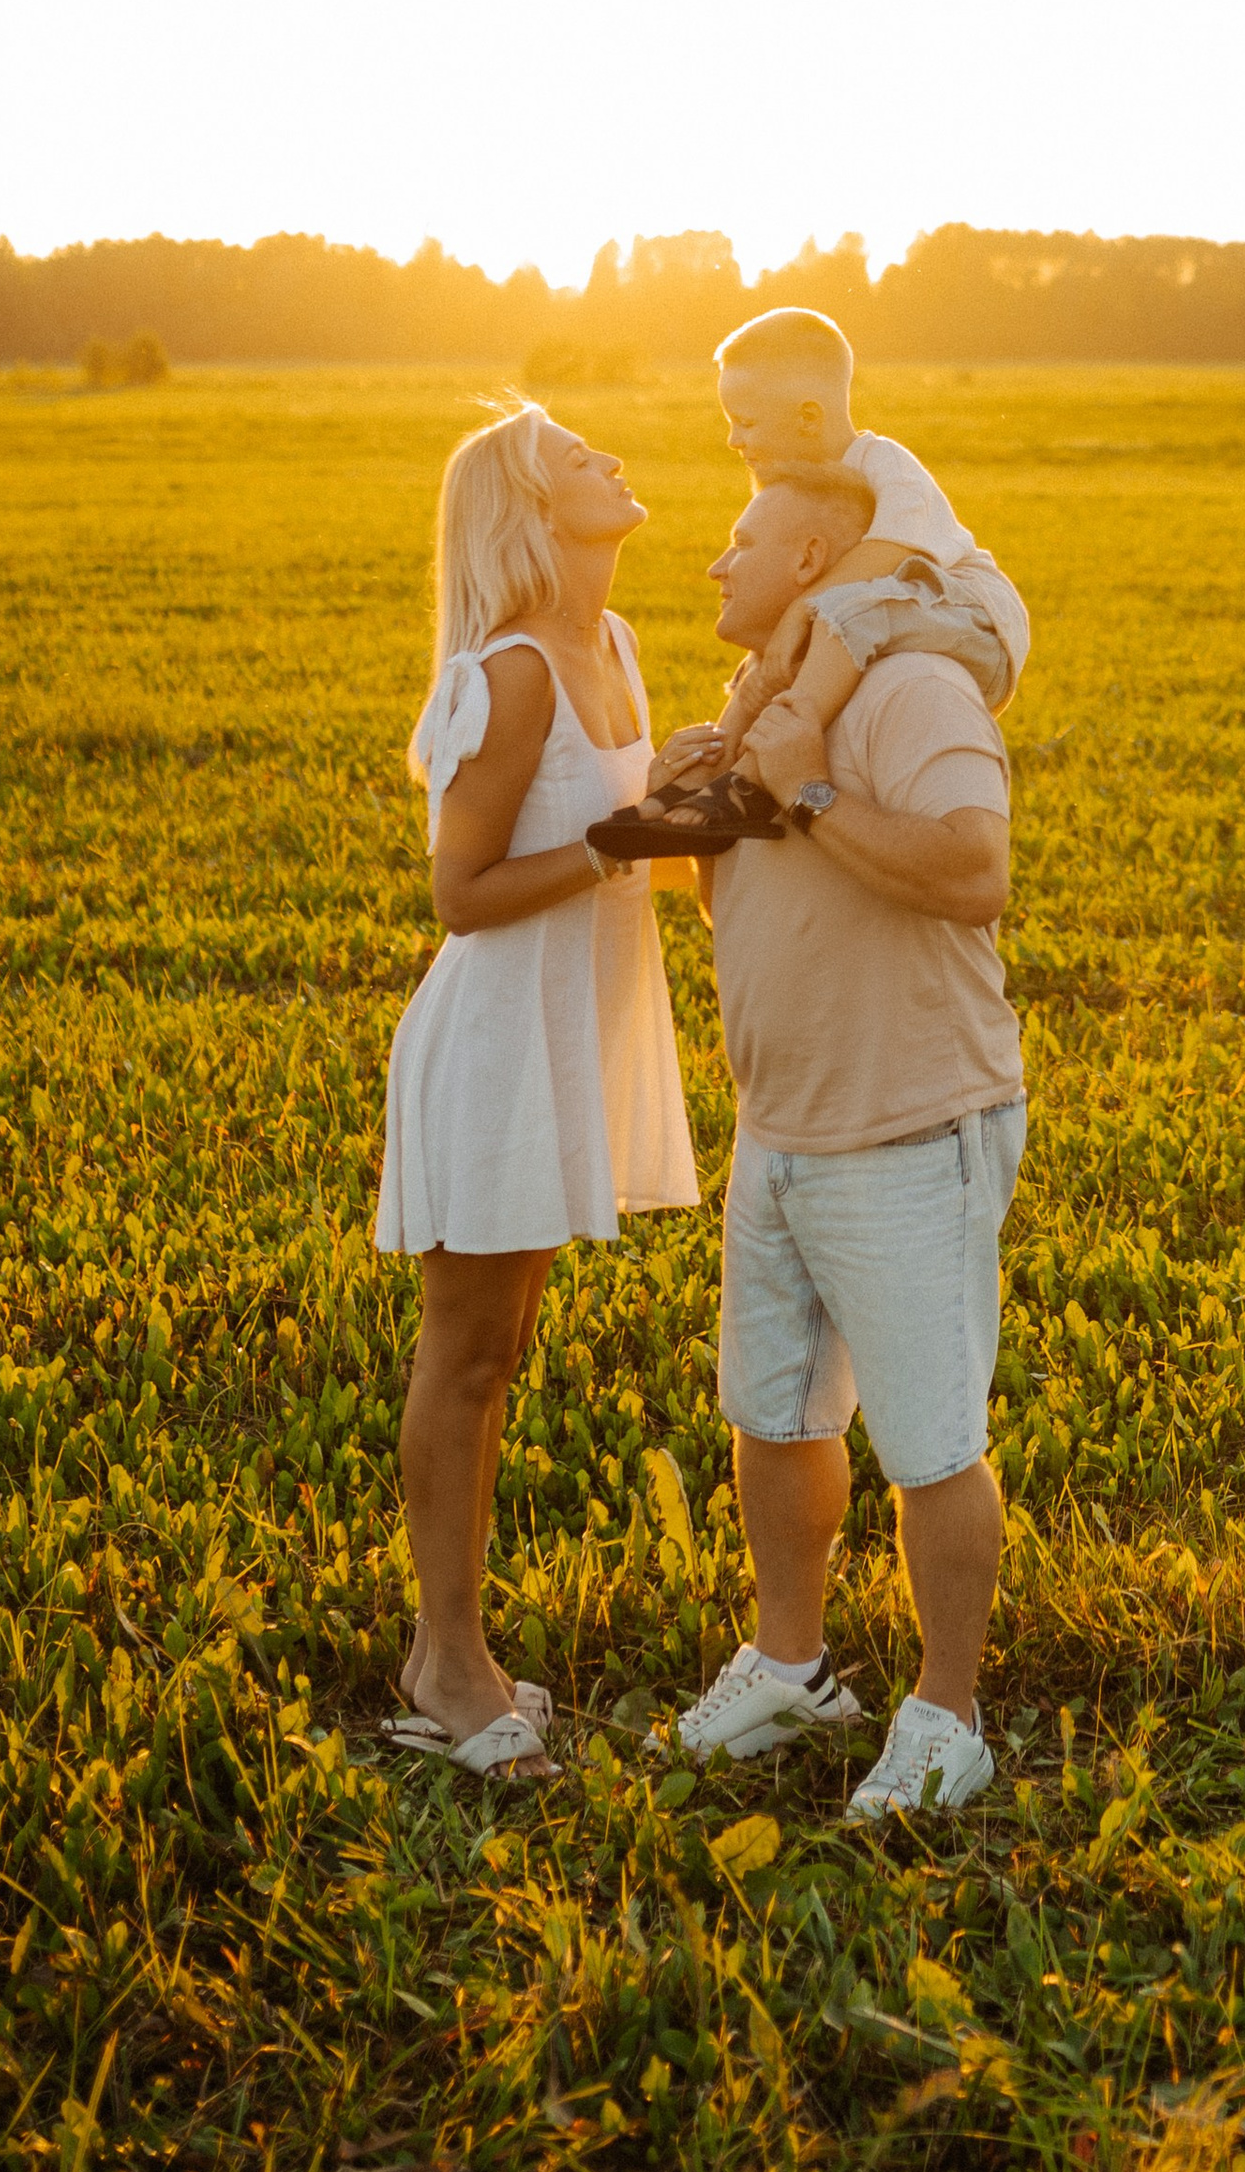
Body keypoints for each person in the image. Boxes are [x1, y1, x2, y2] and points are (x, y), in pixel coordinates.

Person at [667, 460, 1025, 1819]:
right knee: (774, 1411)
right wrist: (715, 794)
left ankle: (949, 1715)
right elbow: (746, 915)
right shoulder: (761, 703)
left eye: (741, 535)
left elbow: (970, 868)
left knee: (929, 1440)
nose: (717, 562)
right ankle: (792, 1661)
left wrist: (809, 788)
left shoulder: (912, 691)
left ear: (815, 553)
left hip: (907, 1117)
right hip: (782, 1125)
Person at [374, 403, 716, 1778]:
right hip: (498, 1041)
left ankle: (454, 1648)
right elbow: (461, 895)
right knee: (462, 1359)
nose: (616, 463)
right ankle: (446, 1666)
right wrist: (622, 838)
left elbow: (642, 852)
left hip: (569, 1033)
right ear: (531, 507)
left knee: (499, 1355)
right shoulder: (516, 671)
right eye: (584, 460)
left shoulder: (617, 645)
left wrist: (707, 796)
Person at [594, 307, 1026, 857]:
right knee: (771, 655)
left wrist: (801, 612)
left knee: (836, 613)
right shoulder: (802, 488)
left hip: (969, 614)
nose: (732, 439)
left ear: (807, 417)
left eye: (745, 422)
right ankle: (703, 775)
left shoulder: (884, 465)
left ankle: (746, 782)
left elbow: (888, 554)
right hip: (889, 610)